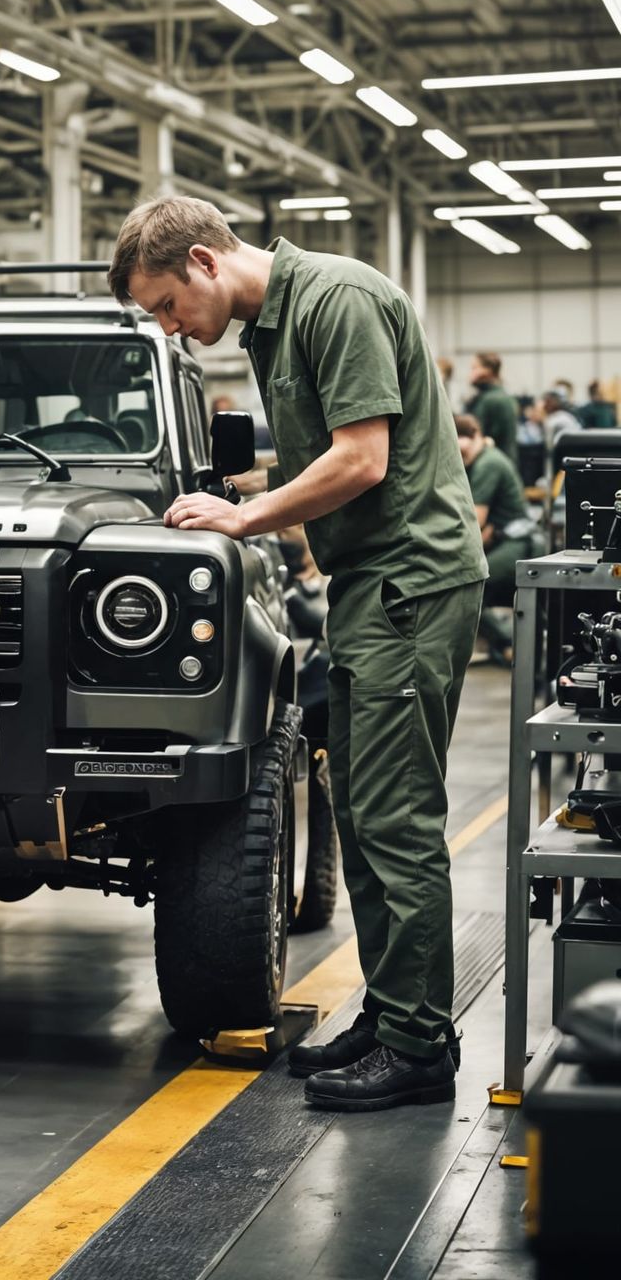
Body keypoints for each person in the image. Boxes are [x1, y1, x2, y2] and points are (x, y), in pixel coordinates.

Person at [110, 197, 485, 1113]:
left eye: (165, 305)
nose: (172, 329)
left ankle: (420, 1046)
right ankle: (394, 1013)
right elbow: (323, 456)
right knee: (358, 810)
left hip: (410, 584)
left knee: (396, 819)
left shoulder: (337, 300)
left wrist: (242, 516)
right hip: (368, 588)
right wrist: (237, 486)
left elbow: (361, 460)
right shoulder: (273, 329)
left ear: (204, 261)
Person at [456, 413, 540, 666]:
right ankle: (507, 646)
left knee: (467, 588)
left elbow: (474, 523)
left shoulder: (487, 465)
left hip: (519, 544)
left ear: (476, 437)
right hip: (505, 541)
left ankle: (510, 645)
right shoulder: (481, 460)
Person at [465, 353, 518, 455]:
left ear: (488, 370)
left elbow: (477, 435)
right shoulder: (498, 395)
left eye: (474, 368)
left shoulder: (491, 399)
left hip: (492, 462)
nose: (470, 373)